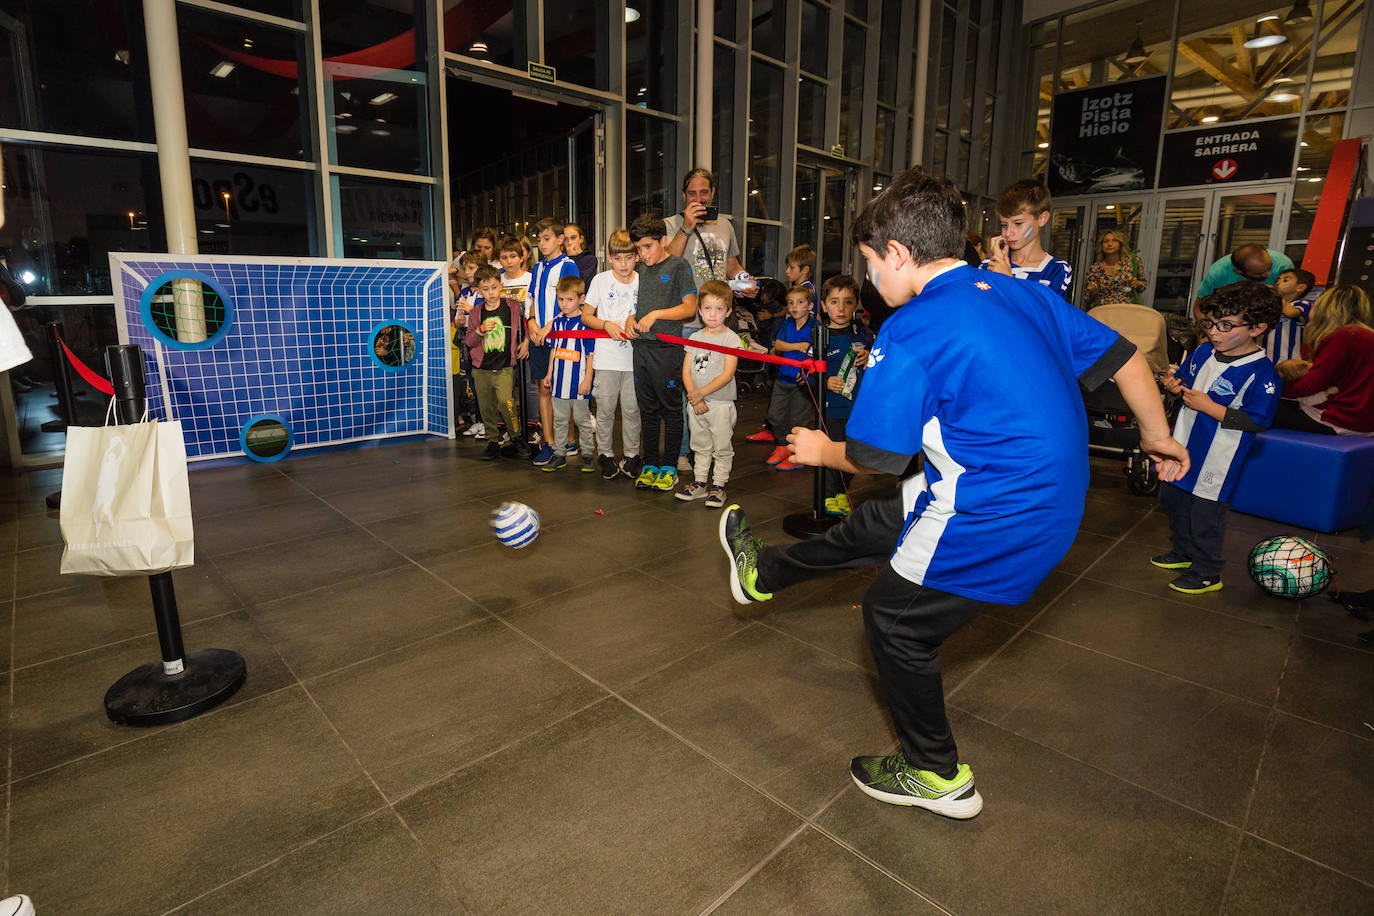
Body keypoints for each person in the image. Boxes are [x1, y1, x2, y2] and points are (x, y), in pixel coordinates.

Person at [719, 166, 1187, 819]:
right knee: (882, 521)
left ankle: (934, 774)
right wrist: (1157, 434)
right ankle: (763, 574)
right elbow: (1127, 358)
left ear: (900, 254)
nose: (870, 281)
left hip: (996, 508)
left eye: (870, 265)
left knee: (892, 621)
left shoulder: (911, 329)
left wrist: (820, 449)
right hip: (1045, 494)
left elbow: (874, 455)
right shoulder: (1015, 291)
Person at [1155, 282, 1282, 594]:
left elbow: (1257, 422)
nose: (1214, 333)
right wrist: (1173, 387)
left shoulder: (1262, 374)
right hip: (1182, 445)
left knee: (1204, 516)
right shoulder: (1202, 351)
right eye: (1209, 323)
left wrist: (1211, 408)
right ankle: (1182, 552)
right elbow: (1185, 380)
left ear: (1258, 328)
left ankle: (1207, 570)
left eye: (1226, 326)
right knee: (1172, 501)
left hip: (1218, 459)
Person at [626, 213, 698, 492]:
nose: (643, 254)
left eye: (648, 247)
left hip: (668, 349)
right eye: (639, 249)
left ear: (664, 241)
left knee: (671, 409)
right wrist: (631, 319)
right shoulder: (639, 271)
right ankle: (650, 465)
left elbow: (689, 308)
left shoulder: (679, 266)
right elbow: (636, 306)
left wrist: (656, 314)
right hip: (640, 348)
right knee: (648, 410)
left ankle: (670, 466)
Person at [582, 228, 643, 480]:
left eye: (629, 258)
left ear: (637, 256)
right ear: (609, 257)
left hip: (634, 359)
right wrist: (605, 324)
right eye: (618, 258)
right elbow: (586, 316)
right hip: (606, 358)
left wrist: (635, 320)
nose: (624, 264)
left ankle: (631, 455)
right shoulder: (600, 280)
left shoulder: (644, 281)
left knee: (632, 409)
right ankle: (605, 455)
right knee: (605, 409)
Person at [1272, 285, 1374, 436]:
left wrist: (1270, 389)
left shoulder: (1344, 336)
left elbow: (1309, 386)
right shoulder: (1365, 334)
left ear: (1325, 308)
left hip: (1343, 420)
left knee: (1256, 406)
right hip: (1362, 420)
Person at [678, 279, 742, 509]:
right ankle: (700, 483)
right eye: (707, 308)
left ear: (728, 311)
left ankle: (719, 486)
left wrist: (701, 394)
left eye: (719, 309)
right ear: (699, 310)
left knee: (722, 447)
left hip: (721, 404)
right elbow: (686, 371)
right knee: (700, 445)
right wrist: (693, 396)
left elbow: (727, 374)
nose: (713, 314)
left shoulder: (731, 339)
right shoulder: (695, 338)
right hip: (696, 403)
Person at [524, 218, 581, 466]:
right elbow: (533, 299)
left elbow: (571, 301)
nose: (542, 243)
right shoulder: (537, 268)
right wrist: (533, 322)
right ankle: (548, 442)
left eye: (547, 238)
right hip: (539, 338)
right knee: (543, 389)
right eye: (539, 239)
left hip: (560, 337)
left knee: (562, 391)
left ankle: (568, 440)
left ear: (561, 239)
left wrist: (550, 325)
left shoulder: (569, 266)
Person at [818, 275, 874, 517]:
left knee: (854, 453)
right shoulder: (819, 336)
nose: (840, 309)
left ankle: (842, 490)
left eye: (847, 302)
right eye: (834, 302)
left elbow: (880, 364)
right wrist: (824, 381)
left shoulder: (864, 334)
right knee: (832, 452)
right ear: (823, 305)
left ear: (856, 305)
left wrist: (870, 356)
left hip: (859, 408)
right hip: (831, 408)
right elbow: (805, 372)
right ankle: (829, 495)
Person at [466, 266, 528, 460]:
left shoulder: (513, 306)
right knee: (486, 407)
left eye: (494, 287)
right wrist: (480, 330)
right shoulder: (476, 313)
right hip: (481, 369)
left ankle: (516, 437)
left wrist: (526, 342)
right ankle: (493, 441)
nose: (491, 293)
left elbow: (525, 325)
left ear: (500, 286)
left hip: (504, 368)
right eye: (485, 289)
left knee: (506, 402)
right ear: (478, 290)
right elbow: (469, 341)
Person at [981, 179, 1073, 300]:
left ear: (1042, 219)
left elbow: (1043, 316)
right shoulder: (989, 265)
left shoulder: (1057, 270)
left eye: (1018, 223)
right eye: (1004, 225)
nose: (1008, 232)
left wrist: (1007, 280)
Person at [663, 168, 751, 289]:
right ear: (684, 195)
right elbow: (667, 265)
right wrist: (686, 228)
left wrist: (746, 283)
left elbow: (732, 267)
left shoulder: (725, 225)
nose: (699, 199)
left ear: (712, 192)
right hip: (685, 306)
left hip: (717, 305)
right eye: (692, 193)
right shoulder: (669, 224)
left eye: (704, 192)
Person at [543, 276, 596, 472]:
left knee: (583, 420)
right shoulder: (557, 324)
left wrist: (588, 379)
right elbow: (553, 350)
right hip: (558, 382)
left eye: (569, 299)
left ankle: (588, 454)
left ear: (581, 299)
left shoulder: (586, 324)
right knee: (560, 420)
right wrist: (549, 374)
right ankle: (559, 453)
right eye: (561, 299)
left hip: (579, 382)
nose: (564, 304)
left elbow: (590, 355)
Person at [763, 286, 818, 472]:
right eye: (791, 303)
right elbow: (778, 345)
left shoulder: (815, 328)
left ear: (810, 305)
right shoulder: (787, 324)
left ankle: (798, 454)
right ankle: (782, 446)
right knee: (774, 416)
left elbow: (816, 355)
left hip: (802, 384)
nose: (795, 307)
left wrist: (806, 370)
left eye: (800, 302)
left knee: (798, 421)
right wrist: (798, 346)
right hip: (783, 378)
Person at [1196, 243, 1294, 300]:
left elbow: (1293, 299)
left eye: (1269, 268)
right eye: (1259, 273)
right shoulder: (1218, 273)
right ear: (1238, 271)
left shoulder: (1283, 265)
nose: (1268, 275)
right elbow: (1200, 305)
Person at [1082, 230, 1147, 309]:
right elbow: (1088, 299)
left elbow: (1143, 285)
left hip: (1127, 311)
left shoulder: (1132, 262)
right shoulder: (1095, 269)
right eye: (1106, 241)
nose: (1109, 244)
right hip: (1103, 312)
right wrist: (1092, 291)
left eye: (1114, 240)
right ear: (1101, 246)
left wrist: (1138, 284)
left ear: (1120, 244)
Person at [1266, 267, 1315, 364]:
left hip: (1290, 360)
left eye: (1285, 280)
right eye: (1278, 279)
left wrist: (1276, 294)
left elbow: (1290, 313)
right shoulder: (1272, 305)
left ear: (1300, 287)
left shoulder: (1303, 304)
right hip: (1267, 358)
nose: (1278, 282)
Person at [784, 243, 820, 315]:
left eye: (791, 268)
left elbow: (810, 317)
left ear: (805, 270)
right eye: (787, 267)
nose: (787, 271)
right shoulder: (799, 288)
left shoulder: (807, 289)